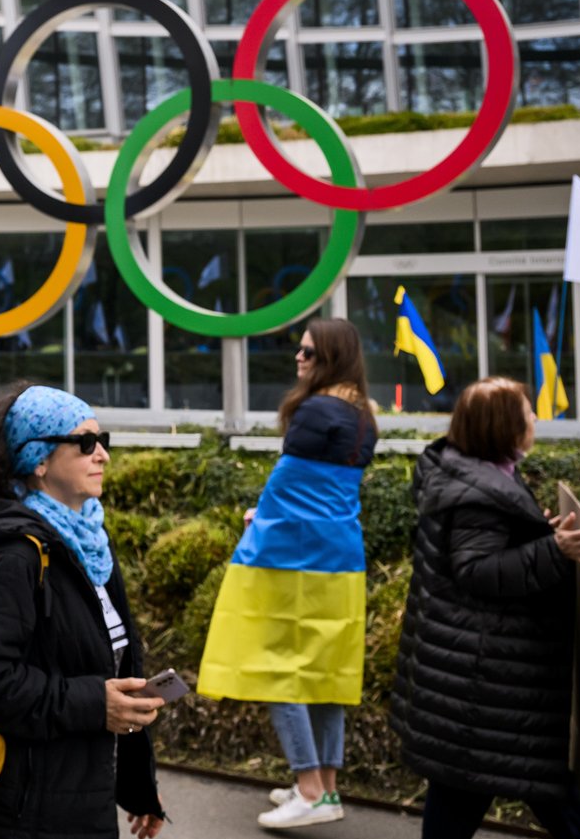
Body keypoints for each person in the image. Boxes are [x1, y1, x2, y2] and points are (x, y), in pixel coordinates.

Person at [0, 382, 166, 839]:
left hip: (79, 799)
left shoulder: (90, 543)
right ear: (38, 460)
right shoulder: (16, 555)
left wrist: (139, 788)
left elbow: (112, 666)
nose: (101, 454)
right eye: (84, 443)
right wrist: (91, 703)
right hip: (19, 815)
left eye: (103, 441)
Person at [390, 377, 580, 839]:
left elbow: (484, 551)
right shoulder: (477, 491)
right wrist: (555, 551)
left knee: (468, 792)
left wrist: (541, 538)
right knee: (538, 794)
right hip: (484, 684)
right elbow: (477, 570)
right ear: (503, 427)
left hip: (476, 681)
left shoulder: (472, 472)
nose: (534, 419)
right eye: (527, 412)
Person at [199, 318, 376, 829]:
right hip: (340, 557)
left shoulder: (314, 410)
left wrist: (263, 518)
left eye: (308, 354)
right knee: (326, 676)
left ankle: (307, 787)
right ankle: (328, 792)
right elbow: (322, 489)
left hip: (291, 557)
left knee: (278, 669)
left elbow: (288, 481)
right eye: (299, 352)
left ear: (331, 359)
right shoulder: (364, 415)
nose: (298, 360)